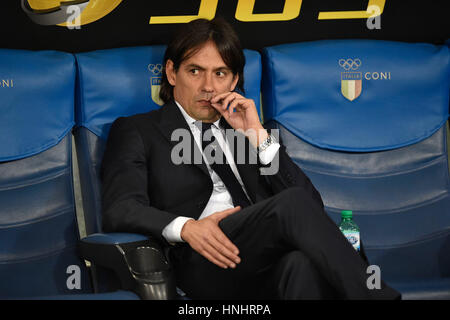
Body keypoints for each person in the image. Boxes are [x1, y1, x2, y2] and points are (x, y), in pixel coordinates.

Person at [101, 17, 400, 300]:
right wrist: (187, 228)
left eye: (220, 73)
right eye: (195, 71)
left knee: (300, 265)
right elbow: (121, 207)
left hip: (263, 257)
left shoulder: (243, 130)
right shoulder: (138, 130)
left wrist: (256, 134)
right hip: (200, 259)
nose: (208, 86)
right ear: (171, 72)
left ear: (234, 81)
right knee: (292, 206)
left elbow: (311, 206)